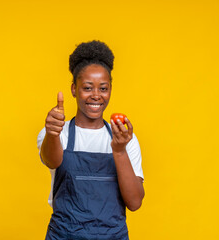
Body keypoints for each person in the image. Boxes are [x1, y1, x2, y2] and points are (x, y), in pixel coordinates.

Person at [37, 40, 145, 240]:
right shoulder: (58, 131)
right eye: (87, 88)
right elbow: (51, 160)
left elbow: (135, 202)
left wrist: (119, 150)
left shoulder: (124, 137)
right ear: (73, 89)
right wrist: (52, 134)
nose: (96, 96)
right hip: (64, 235)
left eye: (103, 89)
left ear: (110, 89)